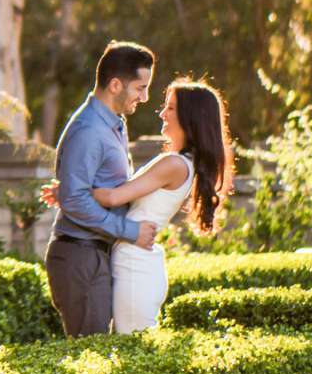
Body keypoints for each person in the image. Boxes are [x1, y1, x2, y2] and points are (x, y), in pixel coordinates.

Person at [96, 79, 235, 333]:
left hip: (135, 269)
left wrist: (72, 191)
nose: (161, 113)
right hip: (138, 266)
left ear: (188, 116)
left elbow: (114, 197)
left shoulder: (173, 164)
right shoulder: (183, 163)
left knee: (131, 357)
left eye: (170, 108)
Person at [45, 41, 158, 337]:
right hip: (80, 256)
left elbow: (82, 189)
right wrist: (130, 230)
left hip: (95, 254)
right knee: (89, 357)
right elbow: (75, 199)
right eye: (140, 88)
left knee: (99, 352)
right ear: (115, 85)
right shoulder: (89, 130)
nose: (144, 97)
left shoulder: (113, 124)